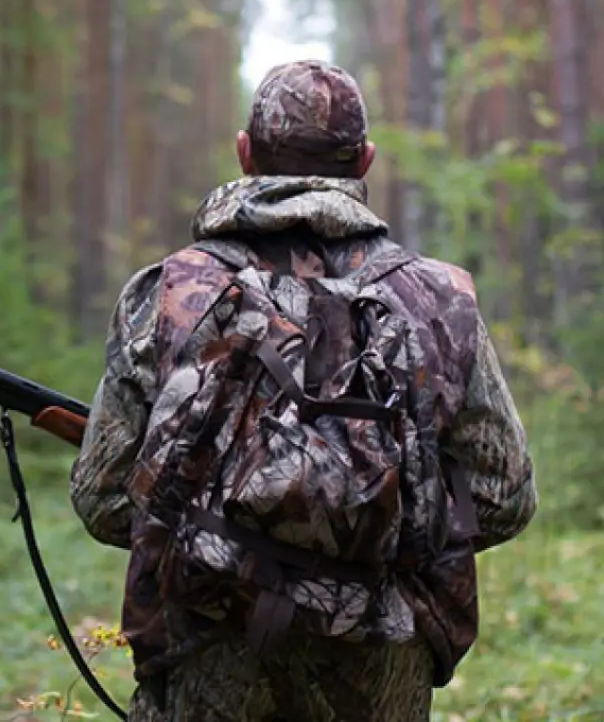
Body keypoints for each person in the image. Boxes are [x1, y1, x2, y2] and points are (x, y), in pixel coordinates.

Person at [69, 60, 537, 722]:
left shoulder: (172, 292)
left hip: (209, 650)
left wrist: (226, 543)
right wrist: (370, 543)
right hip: (384, 660)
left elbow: (103, 498)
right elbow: (505, 496)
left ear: (244, 152)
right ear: (365, 160)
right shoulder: (436, 298)